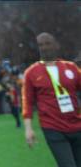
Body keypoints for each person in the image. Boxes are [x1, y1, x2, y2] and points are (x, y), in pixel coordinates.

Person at [22, 32, 81, 167]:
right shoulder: (31, 73)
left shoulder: (71, 68)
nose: (44, 47)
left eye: (47, 43)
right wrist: (28, 129)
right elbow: (27, 102)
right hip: (53, 127)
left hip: (77, 125)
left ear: (55, 45)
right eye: (40, 45)